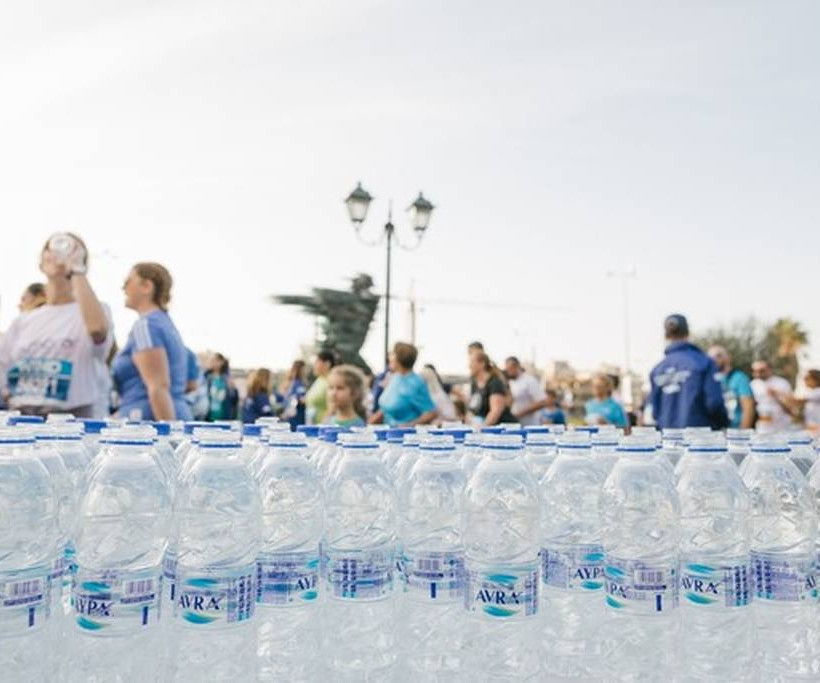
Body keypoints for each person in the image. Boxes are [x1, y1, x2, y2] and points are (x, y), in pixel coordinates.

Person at [0, 232, 112, 417]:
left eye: (72, 250)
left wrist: (76, 270)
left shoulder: (95, 312)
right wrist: (6, 391)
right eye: (51, 249)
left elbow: (97, 330)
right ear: (41, 261)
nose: (59, 255)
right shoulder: (24, 321)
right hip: (25, 419)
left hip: (73, 420)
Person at [111, 262, 192, 421]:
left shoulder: (146, 325)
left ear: (147, 286)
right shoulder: (165, 324)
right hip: (165, 415)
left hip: (148, 424)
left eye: (128, 282)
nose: (123, 288)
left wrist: (167, 435)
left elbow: (158, 387)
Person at [648, 314, 729, 429]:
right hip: (700, 440)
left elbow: (655, 412)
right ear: (688, 332)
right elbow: (714, 404)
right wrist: (724, 424)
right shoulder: (705, 362)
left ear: (666, 335)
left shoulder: (657, 370)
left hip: (668, 441)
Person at [370, 342, 437, 427]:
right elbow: (386, 408)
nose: (389, 357)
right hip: (387, 432)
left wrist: (408, 426)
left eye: (392, 354)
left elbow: (431, 413)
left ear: (400, 358)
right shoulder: (394, 377)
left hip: (405, 436)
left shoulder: (415, 383)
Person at [708, 345, 755, 429]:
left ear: (728, 358)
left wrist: (742, 433)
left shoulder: (739, 377)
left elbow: (748, 408)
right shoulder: (710, 379)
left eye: (718, 355)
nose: (714, 359)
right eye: (710, 357)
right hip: (715, 433)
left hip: (735, 431)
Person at [468, 351, 516, 426]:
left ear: (482, 364)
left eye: (472, 362)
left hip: (502, 431)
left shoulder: (494, 382)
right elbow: (472, 409)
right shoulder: (474, 384)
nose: (469, 365)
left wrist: (480, 430)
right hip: (486, 430)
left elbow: (496, 411)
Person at [750, 359, 795, 433]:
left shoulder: (782, 383)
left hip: (782, 426)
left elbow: (791, 407)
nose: (758, 373)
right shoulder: (752, 385)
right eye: (755, 371)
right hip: (762, 427)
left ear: (769, 369)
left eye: (761, 370)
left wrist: (777, 395)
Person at [504, 356, 547, 426]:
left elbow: (542, 402)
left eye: (509, 369)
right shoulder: (509, 382)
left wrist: (520, 414)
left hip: (530, 425)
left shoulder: (529, 380)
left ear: (516, 366)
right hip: (514, 425)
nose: (508, 372)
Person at [304, 350, 335, 424]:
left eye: (316, 362)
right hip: (311, 425)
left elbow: (332, 408)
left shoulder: (332, 381)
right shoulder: (319, 379)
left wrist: (322, 426)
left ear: (327, 364)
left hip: (322, 428)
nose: (314, 365)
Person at [205, 352, 238, 421]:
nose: (214, 363)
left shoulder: (228, 378)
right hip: (208, 416)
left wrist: (234, 389)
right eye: (212, 360)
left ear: (222, 362)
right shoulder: (206, 377)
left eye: (217, 360)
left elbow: (234, 399)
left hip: (224, 416)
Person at [279, 359, 308, 428]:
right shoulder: (298, 384)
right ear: (301, 369)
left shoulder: (292, 383)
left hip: (290, 418)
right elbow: (301, 399)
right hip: (296, 419)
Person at [795, 369, 820, 434]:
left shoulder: (818, 391)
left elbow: (797, 401)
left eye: (807, 378)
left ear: (816, 380)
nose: (804, 380)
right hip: (813, 428)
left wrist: (779, 393)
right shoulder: (812, 392)